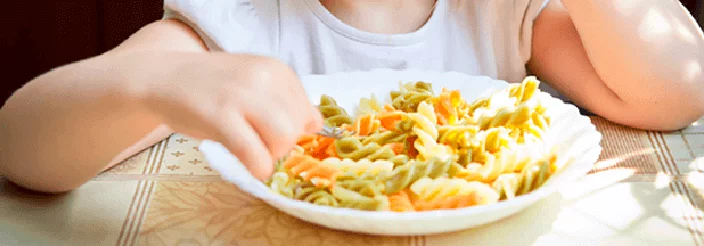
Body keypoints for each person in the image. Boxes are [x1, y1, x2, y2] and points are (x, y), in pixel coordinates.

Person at [1, 0, 703, 193]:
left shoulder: (499, 12)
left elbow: (678, 90)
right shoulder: (239, 23)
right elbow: (22, 145)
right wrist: (163, 82)